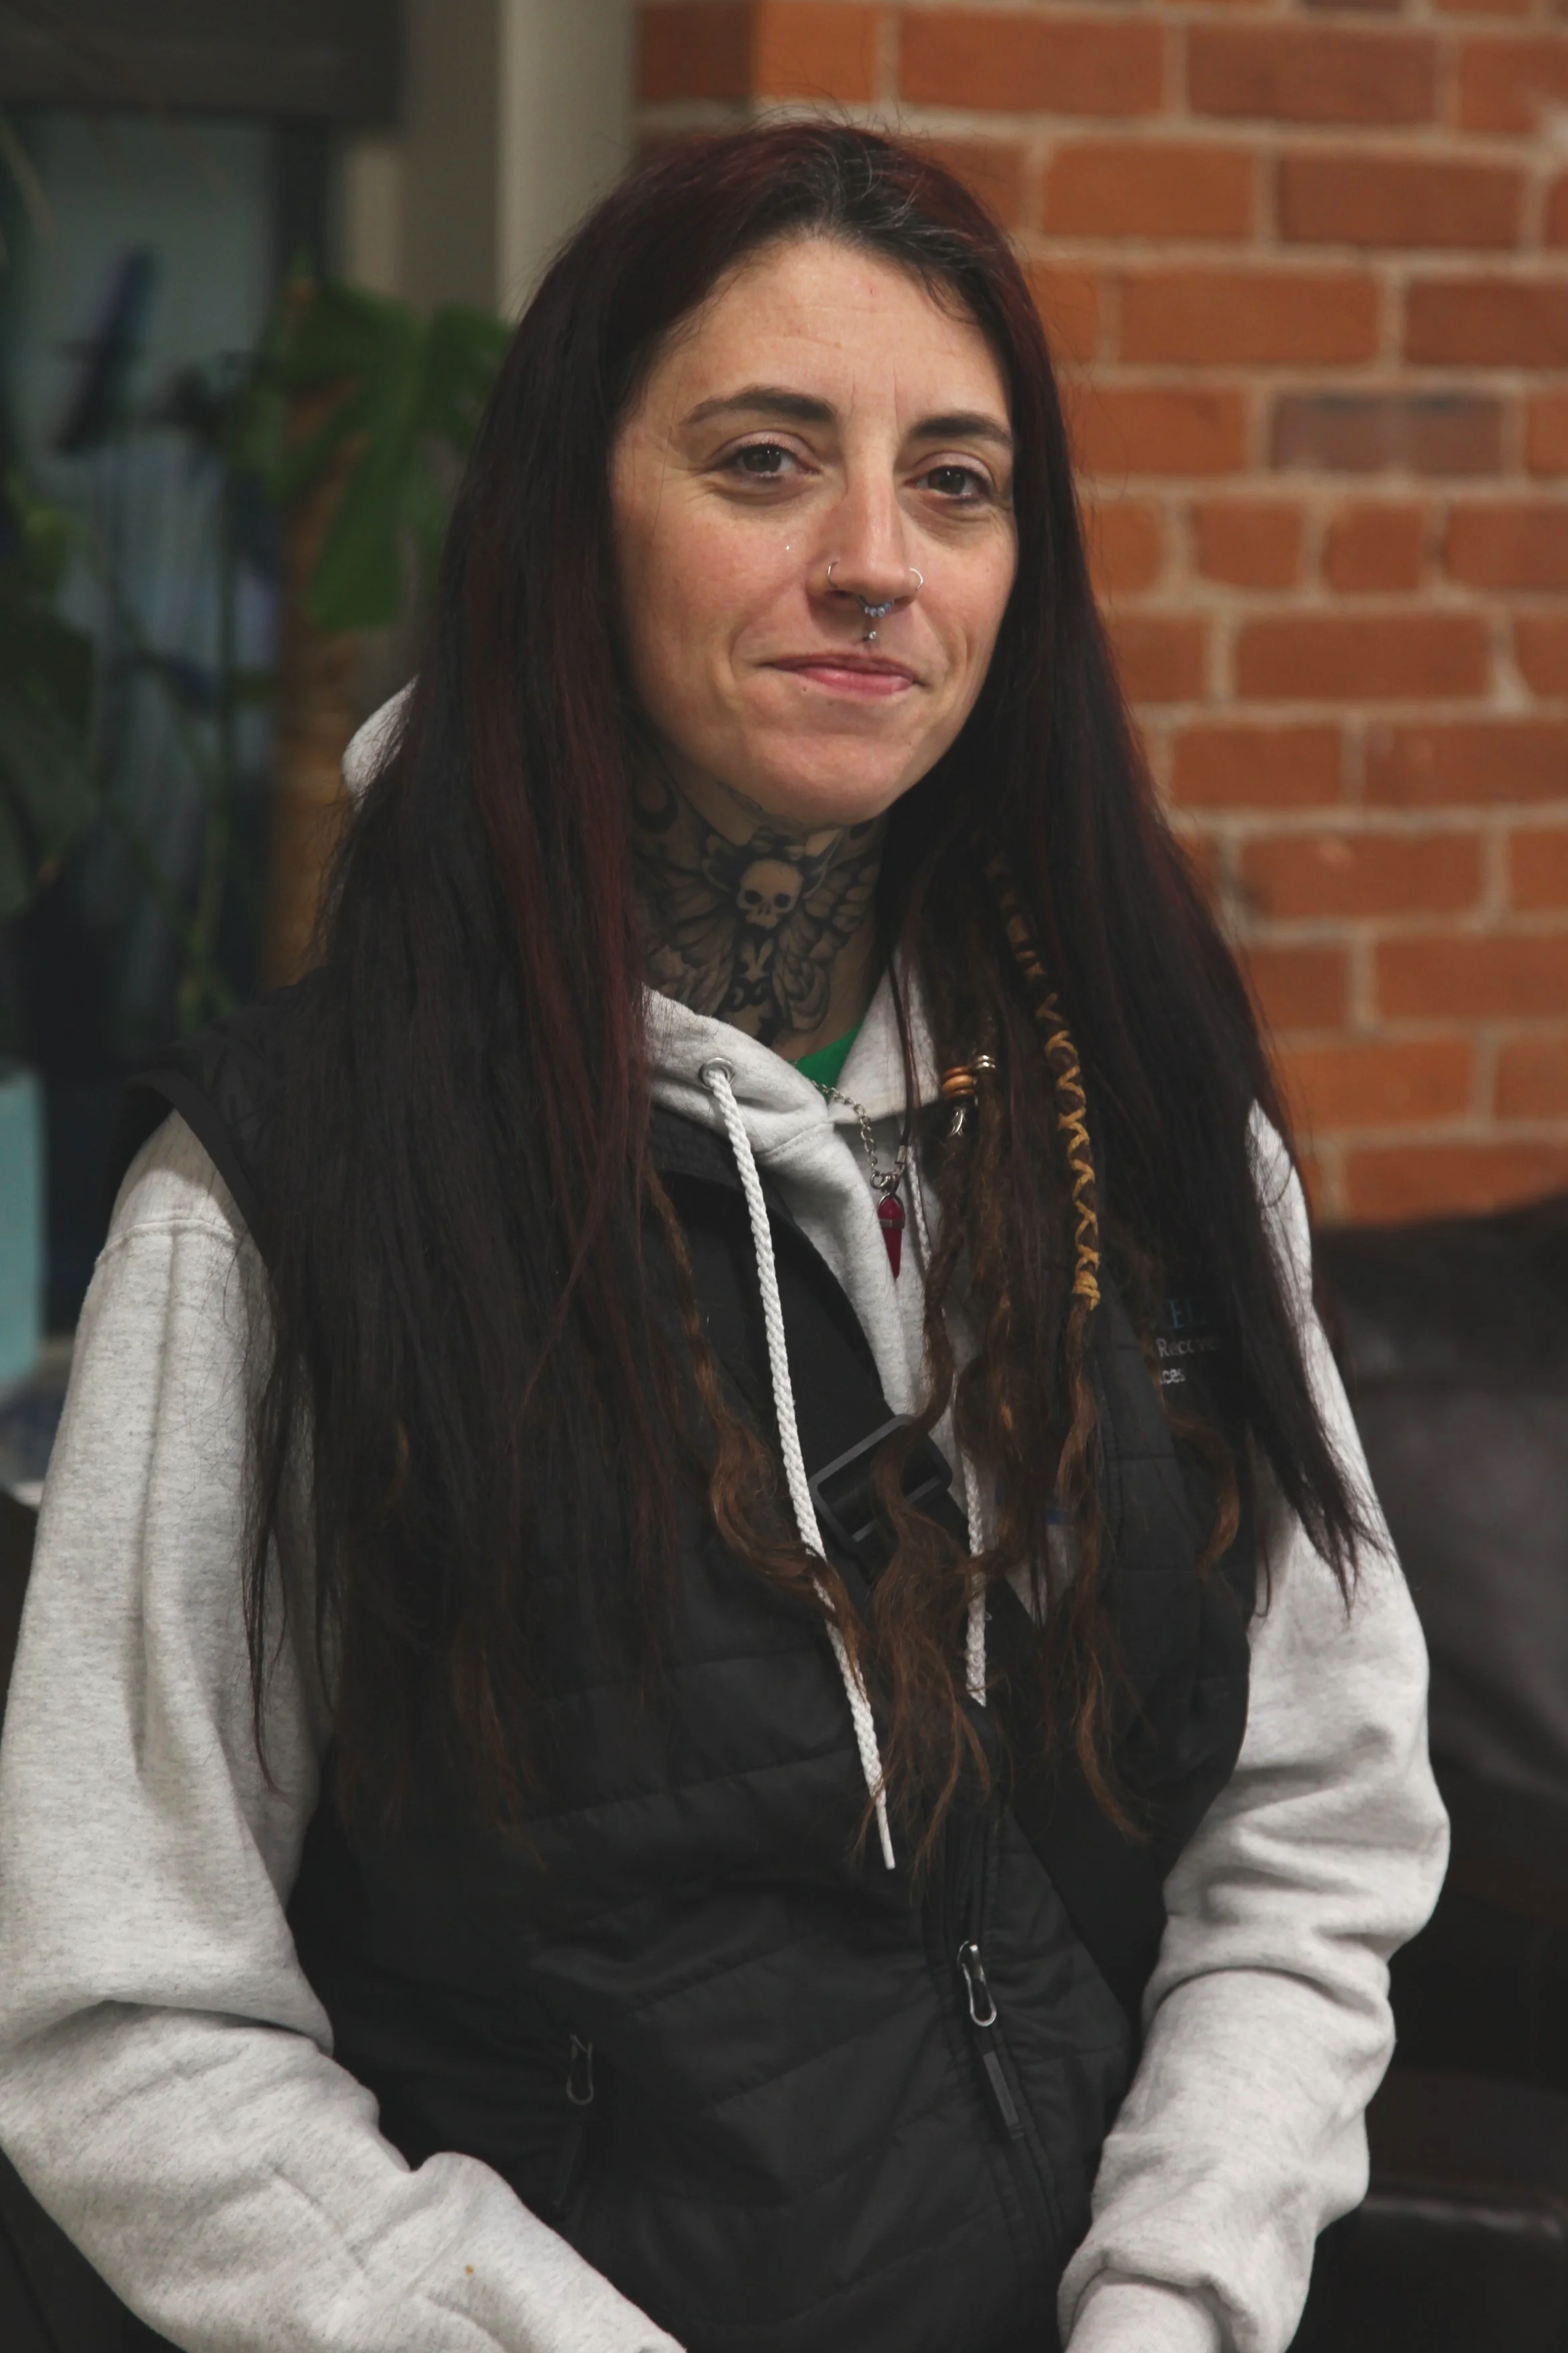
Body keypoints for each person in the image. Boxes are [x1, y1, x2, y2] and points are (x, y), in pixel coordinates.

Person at [0, 125, 1446, 2353]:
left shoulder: (1144, 1123)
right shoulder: (294, 1187)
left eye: (956, 482)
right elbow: (122, 2012)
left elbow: (1313, 1832)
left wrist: (1172, 2298)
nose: (876, 558)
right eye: (767, 460)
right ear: (577, 525)